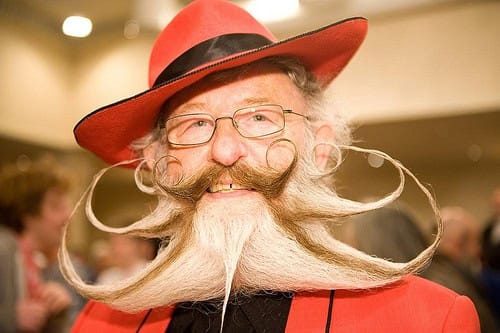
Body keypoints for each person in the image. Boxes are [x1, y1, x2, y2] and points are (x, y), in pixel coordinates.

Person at [60, 0, 480, 331]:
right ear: (158, 166)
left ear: (319, 147)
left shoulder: (427, 320)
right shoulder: (100, 324)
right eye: (194, 124)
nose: (225, 151)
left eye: (260, 118)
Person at [0, 160, 72, 332]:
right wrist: (9, 318)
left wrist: (57, 311)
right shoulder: (3, 249)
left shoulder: (32, 260)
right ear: (26, 213)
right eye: (56, 206)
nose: (67, 216)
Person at [422, 206, 499, 333]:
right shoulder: (453, 288)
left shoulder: (425, 275)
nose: (479, 250)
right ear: (457, 245)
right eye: (476, 242)